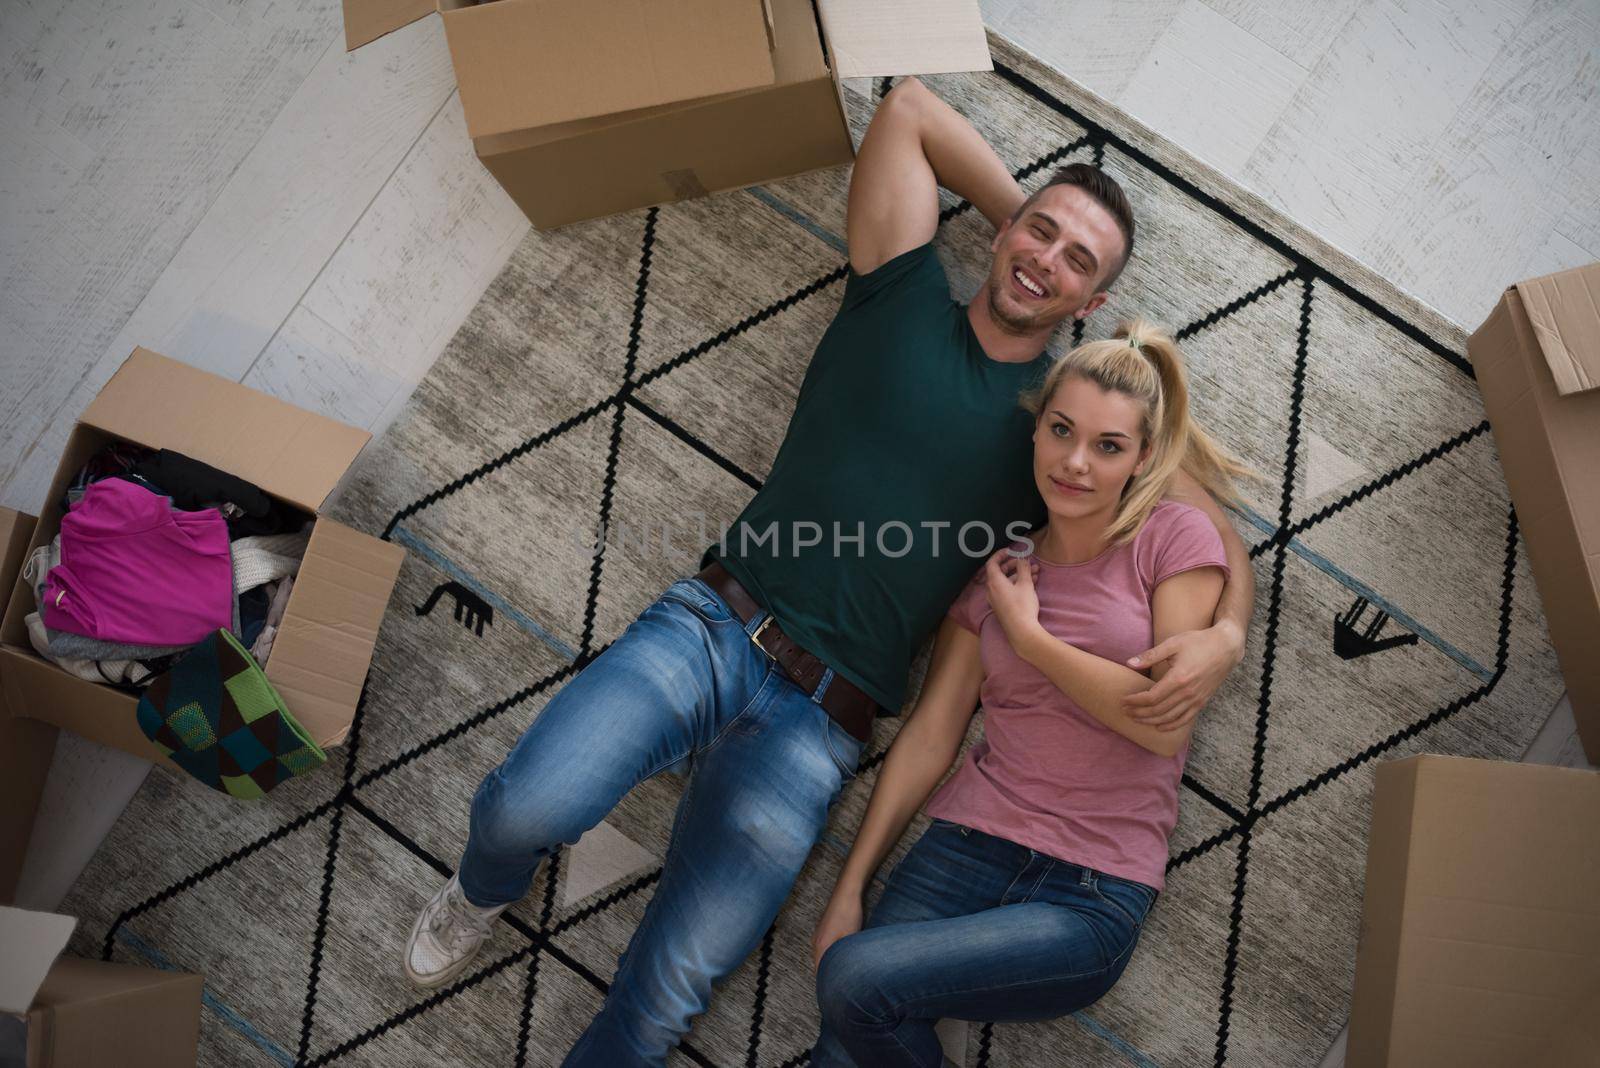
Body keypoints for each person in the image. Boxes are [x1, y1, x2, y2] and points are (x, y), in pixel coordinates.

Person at [402, 74, 1256, 1066]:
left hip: (822, 727)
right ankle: (480, 890)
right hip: (714, 626)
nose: (1045, 260)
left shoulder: (1064, 426)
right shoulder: (897, 291)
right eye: (1039, 232)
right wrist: (1020, 232)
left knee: (664, 999)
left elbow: (1208, 517)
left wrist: (1225, 632)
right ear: (1002, 224)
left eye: (1078, 264)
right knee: (522, 809)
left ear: (1095, 303)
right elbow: (910, 112)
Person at [808, 318, 1250, 1067]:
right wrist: (849, 886)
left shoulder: (1173, 540)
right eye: (1061, 431)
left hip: (1090, 891)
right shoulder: (998, 576)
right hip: (961, 850)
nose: (1075, 463)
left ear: (1143, 457)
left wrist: (1034, 639)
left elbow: (1160, 725)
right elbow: (930, 735)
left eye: (1108, 446)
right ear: (1037, 428)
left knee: (853, 982)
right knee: (846, 1029)